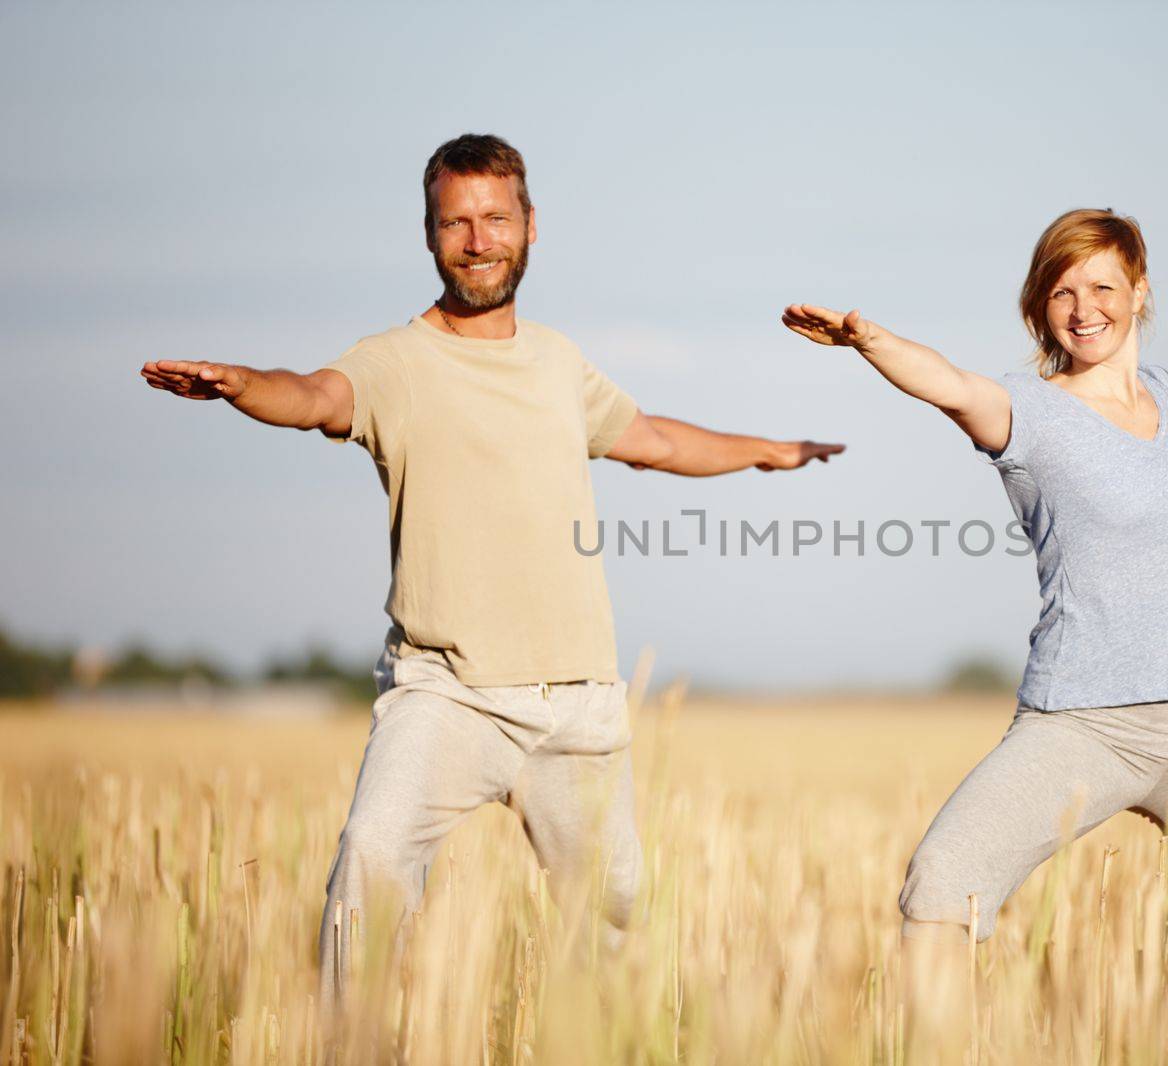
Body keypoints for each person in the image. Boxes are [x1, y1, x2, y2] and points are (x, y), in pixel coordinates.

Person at [141, 132, 844, 1014]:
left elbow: (654, 440)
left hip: (579, 698)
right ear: (430, 234)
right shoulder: (394, 362)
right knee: (371, 858)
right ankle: (350, 1043)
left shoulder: (556, 361)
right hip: (449, 692)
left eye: (495, 220)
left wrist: (768, 452)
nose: (478, 241)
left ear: (530, 225)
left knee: (615, 920)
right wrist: (245, 384)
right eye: (456, 223)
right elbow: (316, 396)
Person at [783, 208, 1168, 1064]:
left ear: (1139, 292)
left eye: (1102, 287)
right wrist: (870, 339)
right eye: (1062, 291)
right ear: (1040, 307)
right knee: (940, 888)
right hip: (1085, 724)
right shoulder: (1029, 414)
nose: (1083, 308)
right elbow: (949, 384)